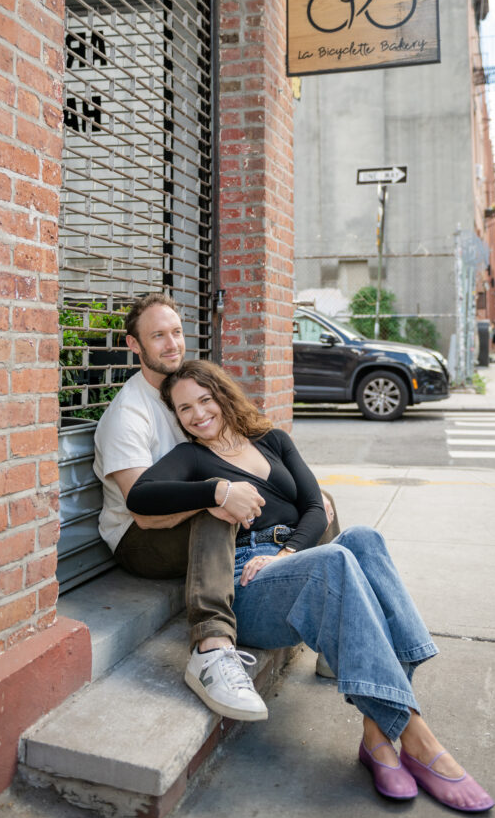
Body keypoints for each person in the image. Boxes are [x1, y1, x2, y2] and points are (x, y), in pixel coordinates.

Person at [127, 360, 495, 813]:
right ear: (177, 417)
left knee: (364, 538)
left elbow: (315, 509)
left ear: (223, 394)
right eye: (184, 409)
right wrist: (215, 491)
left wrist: (287, 555)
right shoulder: (191, 458)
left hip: (289, 560)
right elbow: (139, 496)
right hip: (247, 583)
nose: (198, 414)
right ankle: (416, 736)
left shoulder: (273, 441)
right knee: (335, 559)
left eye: (205, 400)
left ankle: (378, 737)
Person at [93, 294, 337, 723]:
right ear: (135, 346)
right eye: (157, 336)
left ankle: (333, 635)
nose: (171, 344)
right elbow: (144, 512)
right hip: (139, 539)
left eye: (176, 332)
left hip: (190, 523)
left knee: (319, 504)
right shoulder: (128, 415)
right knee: (214, 505)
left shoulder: (183, 390)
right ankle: (211, 650)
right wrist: (217, 493)